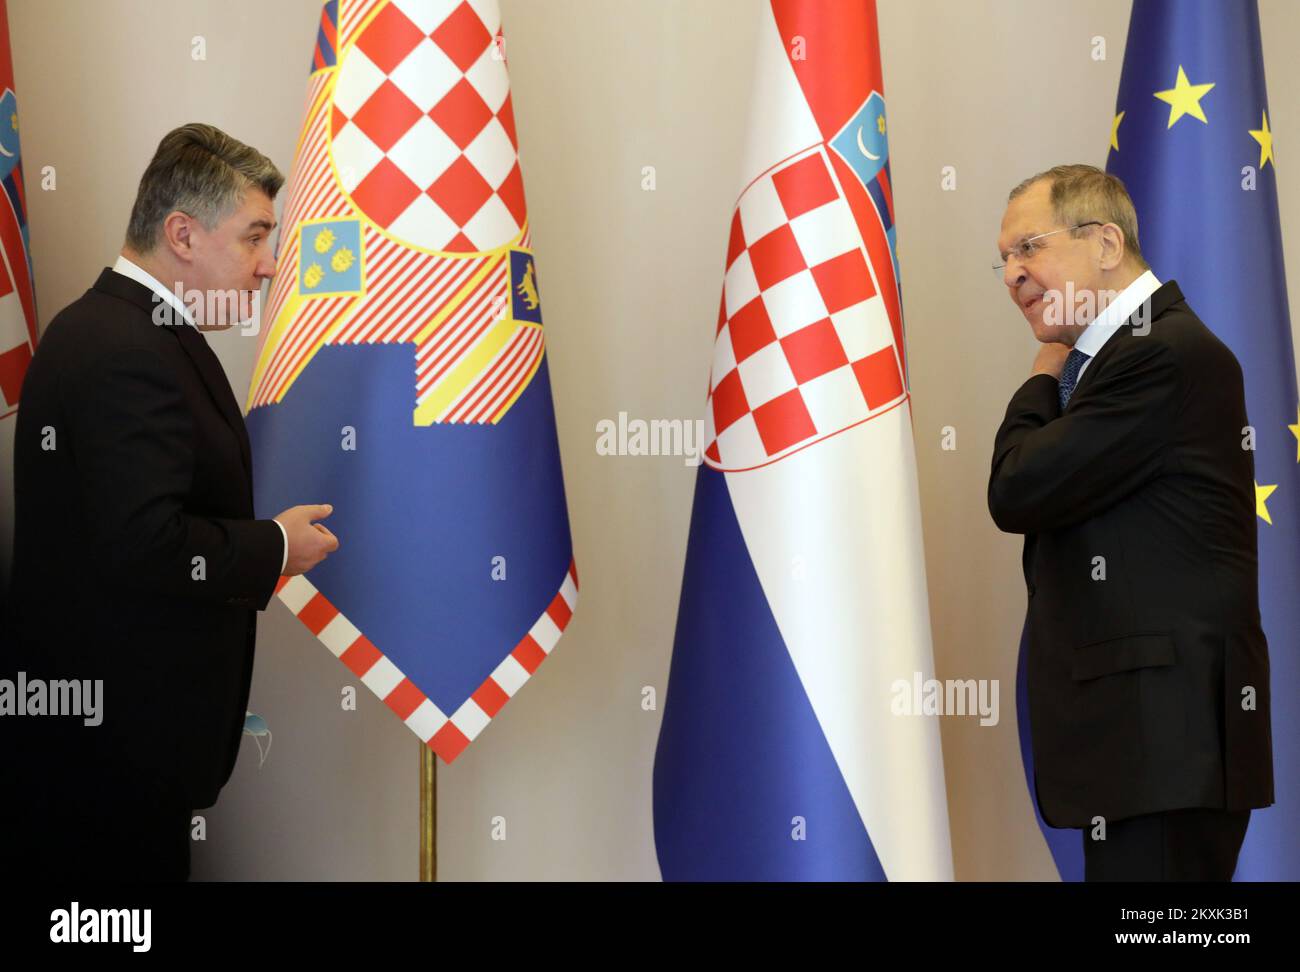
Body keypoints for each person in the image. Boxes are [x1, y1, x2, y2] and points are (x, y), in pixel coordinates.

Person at [4, 123, 339, 880]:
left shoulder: (133, 331)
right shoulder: (127, 347)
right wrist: (277, 547)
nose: (269, 266)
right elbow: (143, 542)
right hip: (106, 767)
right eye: (254, 237)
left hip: (115, 754)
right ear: (182, 234)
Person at [987, 164, 1273, 881]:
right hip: (1143, 753)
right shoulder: (1123, 357)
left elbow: (1018, 488)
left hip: (1164, 750)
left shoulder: (1161, 356)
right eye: (1004, 260)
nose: (1012, 275)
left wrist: (1040, 372)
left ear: (1106, 244)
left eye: (1029, 247)